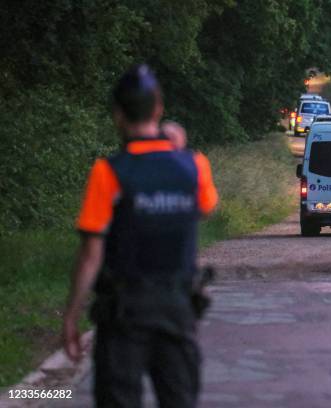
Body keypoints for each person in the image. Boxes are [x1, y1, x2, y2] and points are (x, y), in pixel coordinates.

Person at [62, 64, 218, 408]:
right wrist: (176, 147)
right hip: (177, 309)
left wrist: (71, 315)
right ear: (159, 109)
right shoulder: (195, 165)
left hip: (124, 315)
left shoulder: (108, 172)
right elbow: (206, 207)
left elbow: (91, 255)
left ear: (117, 114)